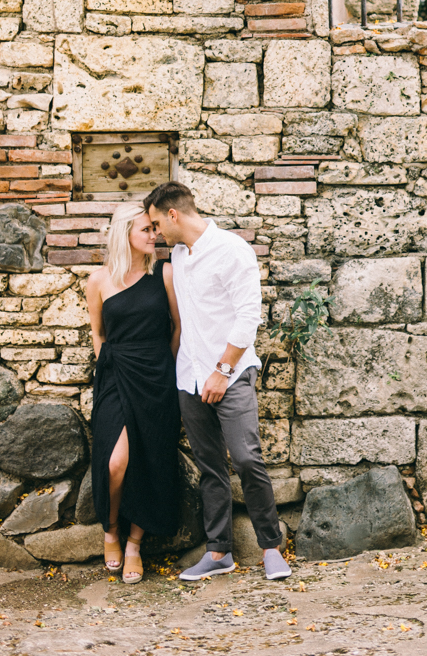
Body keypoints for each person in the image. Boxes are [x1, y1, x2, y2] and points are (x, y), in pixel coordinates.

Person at [145, 181, 291, 582]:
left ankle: (270, 548)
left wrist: (222, 372)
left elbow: (248, 318)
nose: (156, 234)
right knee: (210, 466)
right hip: (189, 376)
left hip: (231, 373)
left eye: (157, 224)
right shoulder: (179, 254)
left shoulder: (231, 250)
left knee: (247, 459)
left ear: (173, 214)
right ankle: (218, 552)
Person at [85, 202, 182, 584]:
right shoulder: (99, 280)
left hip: (157, 375)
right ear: (125, 233)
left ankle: (134, 545)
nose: (154, 235)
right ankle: (110, 529)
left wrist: (166, 368)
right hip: (115, 374)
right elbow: (98, 332)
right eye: (146, 230)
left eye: (154, 229)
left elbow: (176, 327)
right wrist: (106, 369)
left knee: (152, 458)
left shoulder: (166, 273)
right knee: (116, 462)